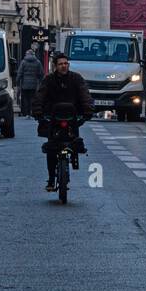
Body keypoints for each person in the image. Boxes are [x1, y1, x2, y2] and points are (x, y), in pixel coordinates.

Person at [32, 52, 94, 192]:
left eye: (65, 63)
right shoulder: (48, 80)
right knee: (51, 148)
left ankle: (74, 157)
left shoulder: (76, 78)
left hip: (72, 117)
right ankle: (51, 178)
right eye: (60, 64)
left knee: (75, 142)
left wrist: (88, 111)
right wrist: (38, 112)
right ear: (55, 66)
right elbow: (40, 96)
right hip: (53, 117)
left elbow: (84, 94)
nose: (63, 66)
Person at [16, 46, 44, 118]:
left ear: (27, 54)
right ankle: (32, 112)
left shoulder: (23, 62)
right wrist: (40, 82)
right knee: (33, 98)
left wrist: (17, 81)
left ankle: (26, 113)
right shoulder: (38, 62)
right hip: (34, 84)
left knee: (25, 99)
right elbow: (41, 73)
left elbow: (20, 73)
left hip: (24, 84)